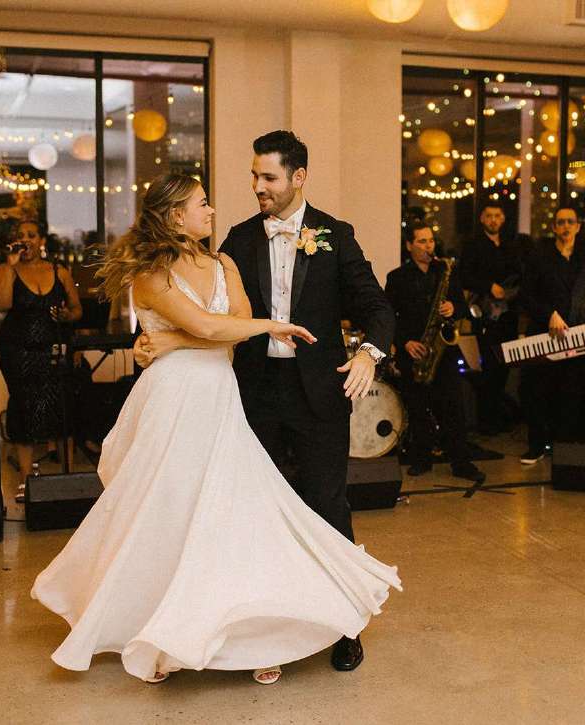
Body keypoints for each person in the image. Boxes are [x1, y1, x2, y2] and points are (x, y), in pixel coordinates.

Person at [32, 173, 400, 686]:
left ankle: (266, 632)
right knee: (172, 512)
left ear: (297, 176)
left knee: (245, 512)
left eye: (265, 175)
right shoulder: (157, 271)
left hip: (229, 396)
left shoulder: (228, 260)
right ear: (176, 216)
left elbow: (233, 329)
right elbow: (213, 327)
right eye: (202, 203)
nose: (217, 206)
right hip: (177, 401)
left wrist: (174, 341)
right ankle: (162, 632)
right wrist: (257, 328)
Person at [134, 131, 396, 673]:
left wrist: (369, 352)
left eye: (268, 178)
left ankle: (346, 623)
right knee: (256, 516)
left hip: (319, 395)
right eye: (254, 176)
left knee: (327, 506)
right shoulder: (237, 238)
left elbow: (376, 306)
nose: (257, 187)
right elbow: (212, 315)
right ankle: (267, 628)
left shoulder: (335, 235)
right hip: (250, 395)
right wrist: (162, 338)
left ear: (299, 178)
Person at [519, 206, 585, 464]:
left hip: (576, 337)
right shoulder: (539, 257)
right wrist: (549, 315)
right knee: (538, 392)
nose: (565, 227)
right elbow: (526, 296)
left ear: (578, 226)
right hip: (544, 336)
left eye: (570, 222)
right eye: (560, 222)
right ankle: (536, 447)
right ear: (554, 227)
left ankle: (562, 449)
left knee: (570, 394)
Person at [0, 220, 83, 501]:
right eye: (20, 236)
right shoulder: (6, 270)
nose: (26, 240)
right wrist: (10, 264)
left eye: (31, 235)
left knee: (61, 404)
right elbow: (1, 303)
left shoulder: (59, 271)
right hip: (18, 351)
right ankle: (25, 480)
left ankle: (68, 478)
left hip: (53, 347)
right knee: (23, 406)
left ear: (41, 240)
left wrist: (69, 316)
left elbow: (77, 309)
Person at [386, 222, 485, 482]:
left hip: (444, 351)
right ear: (409, 246)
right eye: (421, 241)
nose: (428, 246)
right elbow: (386, 317)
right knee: (418, 409)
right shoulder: (396, 278)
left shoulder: (446, 272)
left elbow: (463, 308)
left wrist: (454, 307)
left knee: (454, 408)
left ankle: (461, 463)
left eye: (430, 241)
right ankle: (421, 459)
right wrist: (405, 342)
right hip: (414, 350)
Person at [459, 203, 523, 434]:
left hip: (508, 315)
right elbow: (463, 276)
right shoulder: (473, 246)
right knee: (488, 366)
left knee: (505, 366)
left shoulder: (512, 246)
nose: (493, 220)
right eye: (489, 216)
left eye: (497, 215)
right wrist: (488, 286)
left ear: (503, 218)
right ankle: (486, 421)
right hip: (485, 316)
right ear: (482, 219)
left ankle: (498, 417)